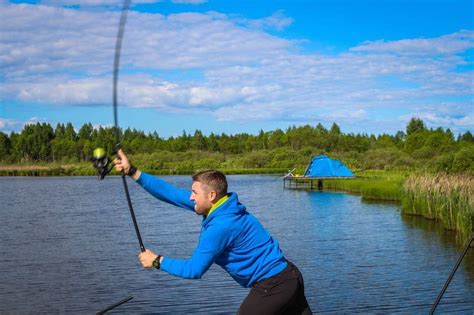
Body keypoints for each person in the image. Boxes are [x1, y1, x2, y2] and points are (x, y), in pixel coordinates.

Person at [114, 149, 312, 314]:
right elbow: (170, 193)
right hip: (290, 275)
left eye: (194, 193)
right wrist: (132, 171)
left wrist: (157, 261)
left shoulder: (221, 226)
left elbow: (194, 270)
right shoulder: (223, 205)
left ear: (211, 195)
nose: (190, 197)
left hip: (273, 286)